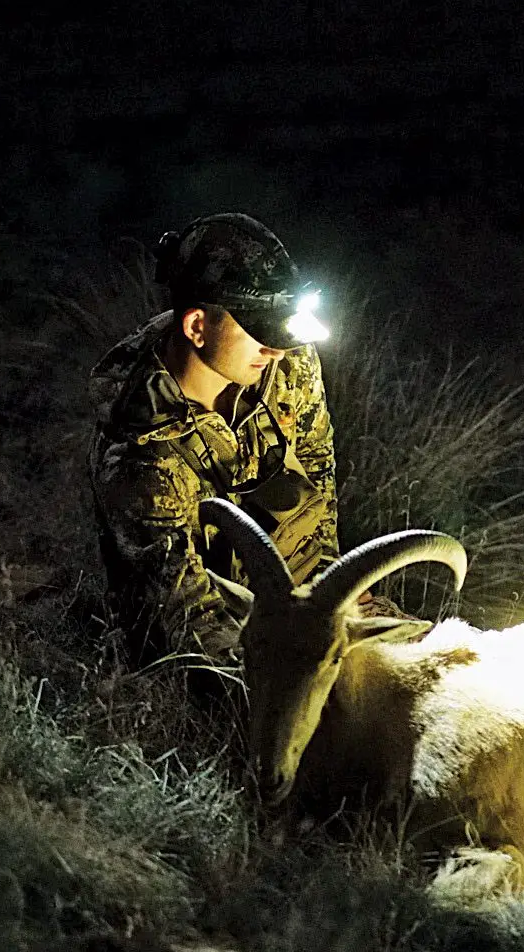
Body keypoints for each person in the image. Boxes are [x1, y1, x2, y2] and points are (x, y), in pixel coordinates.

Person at [90, 212, 380, 666]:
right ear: (196, 327)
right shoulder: (140, 457)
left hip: (297, 598)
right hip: (220, 635)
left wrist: (331, 598)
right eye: (260, 329)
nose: (278, 348)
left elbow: (317, 481)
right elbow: (186, 621)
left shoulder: (287, 366)